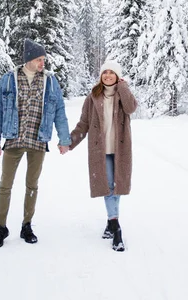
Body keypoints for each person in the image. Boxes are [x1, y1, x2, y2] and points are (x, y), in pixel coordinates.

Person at [0, 38, 71, 249]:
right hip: (13, 139)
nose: (42, 63)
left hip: (38, 140)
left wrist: (64, 139)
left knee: (32, 185)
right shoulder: (8, 80)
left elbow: (60, 111)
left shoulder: (50, 81)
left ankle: (26, 225)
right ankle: (1, 227)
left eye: (43, 59)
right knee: (5, 185)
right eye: (38, 59)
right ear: (27, 59)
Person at [70, 60, 138, 251]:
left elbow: (131, 108)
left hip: (120, 150)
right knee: (109, 186)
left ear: (117, 76)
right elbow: (83, 124)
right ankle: (116, 227)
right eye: (104, 72)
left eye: (112, 73)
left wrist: (123, 86)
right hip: (100, 151)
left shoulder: (122, 95)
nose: (107, 75)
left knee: (117, 187)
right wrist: (70, 141)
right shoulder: (92, 97)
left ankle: (110, 222)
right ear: (101, 76)